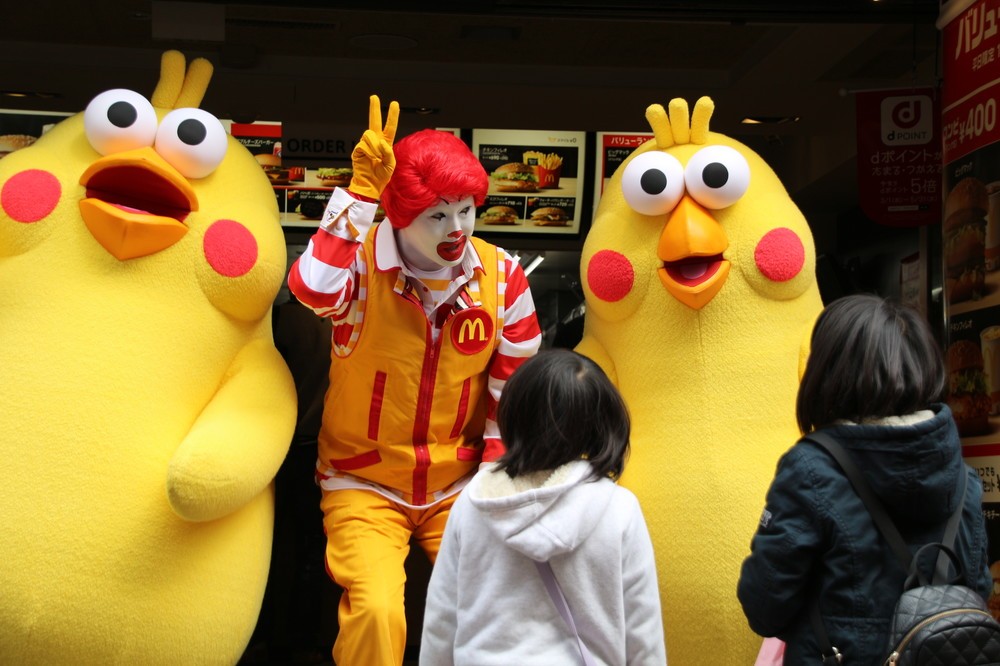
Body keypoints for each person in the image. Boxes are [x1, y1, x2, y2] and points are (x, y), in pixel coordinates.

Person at [287, 95, 542, 666]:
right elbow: (310, 290)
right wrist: (356, 196)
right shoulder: (357, 267)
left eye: (466, 210)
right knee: (378, 611)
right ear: (400, 216)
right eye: (438, 215)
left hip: (460, 486)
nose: (457, 228)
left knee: (501, 604)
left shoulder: (502, 277)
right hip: (363, 481)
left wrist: (495, 485)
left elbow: (513, 393)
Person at [737, 294, 991, 665]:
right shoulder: (964, 479)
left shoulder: (810, 470)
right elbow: (978, 592)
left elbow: (764, 608)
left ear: (829, 372)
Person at [419, 348, 666, 666]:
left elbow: (441, 623)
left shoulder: (475, 502)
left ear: (513, 415)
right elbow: (642, 632)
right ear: (601, 423)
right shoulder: (618, 509)